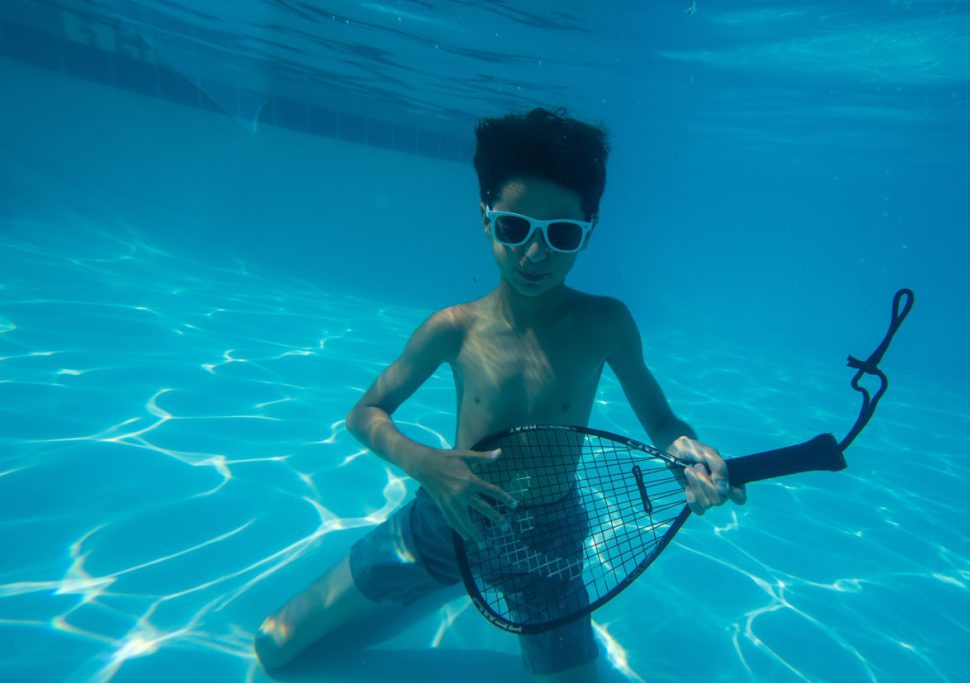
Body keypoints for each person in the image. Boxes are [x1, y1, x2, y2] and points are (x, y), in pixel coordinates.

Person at [253, 107, 747, 683]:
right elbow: (364, 413)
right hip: (446, 515)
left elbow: (660, 420)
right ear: (486, 218)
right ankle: (446, 581)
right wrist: (428, 465)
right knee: (274, 646)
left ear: (589, 231)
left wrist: (686, 449)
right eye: (515, 228)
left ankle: (456, 584)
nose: (535, 255)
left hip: (548, 541)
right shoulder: (453, 329)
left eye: (560, 234)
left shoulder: (606, 324)